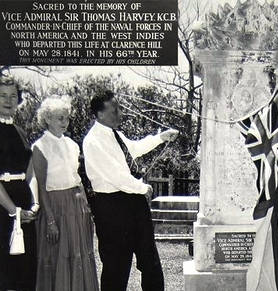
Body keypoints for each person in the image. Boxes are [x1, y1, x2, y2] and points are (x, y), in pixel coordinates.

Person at [82, 89, 179, 291]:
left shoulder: (115, 135)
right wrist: (142, 187)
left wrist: (161, 137)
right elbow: (115, 175)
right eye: (114, 110)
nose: (120, 114)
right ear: (100, 114)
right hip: (112, 208)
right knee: (116, 266)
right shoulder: (93, 141)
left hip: (133, 203)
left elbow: (134, 149)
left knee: (150, 261)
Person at [32, 96, 99, 291]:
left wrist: (86, 211)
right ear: (47, 119)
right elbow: (41, 187)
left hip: (77, 207)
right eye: (60, 118)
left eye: (67, 118)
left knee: (80, 256)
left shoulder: (72, 144)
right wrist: (51, 221)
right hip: (56, 207)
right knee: (57, 258)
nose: (65, 122)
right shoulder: (40, 147)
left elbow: (76, 179)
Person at [0, 75, 38, 291]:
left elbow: (30, 173)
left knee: (24, 273)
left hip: (24, 209)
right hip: (3, 208)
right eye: (3, 95)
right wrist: (13, 211)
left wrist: (34, 205)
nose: (8, 100)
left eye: (13, 95)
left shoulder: (21, 132)